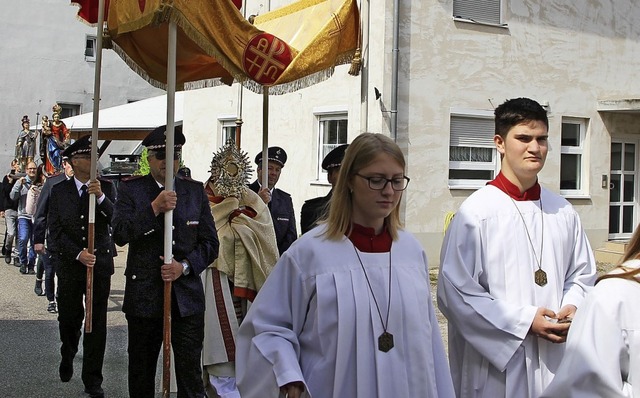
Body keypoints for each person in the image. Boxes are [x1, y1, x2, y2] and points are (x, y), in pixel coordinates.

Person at [237, 133, 455, 398]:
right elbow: (267, 329)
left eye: (397, 181)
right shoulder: (310, 253)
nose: (389, 191)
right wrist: (287, 374)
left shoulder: (411, 251)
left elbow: (429, 342)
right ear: (350, 180)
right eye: (376, 180)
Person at [437, 97, 597, 398]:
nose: (534, 148)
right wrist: (524, 323)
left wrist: (572, 307)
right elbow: (455, 292)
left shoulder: (562, 210)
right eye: (523, 138)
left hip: (555, 357)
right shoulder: (476, 213)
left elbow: (583, 274)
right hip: (497, 367)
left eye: (542, 139)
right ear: (499, 143)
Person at [112, 125, 218, 398]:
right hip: (145, 297)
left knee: (189, 375)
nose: (166, 162)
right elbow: (120, 235)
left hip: (186, 300)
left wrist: (183, 266)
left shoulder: (194, 192)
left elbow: (210, 244)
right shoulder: (132, 190)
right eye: (160, 156)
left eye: (173, 155)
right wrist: (154, 208)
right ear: (148, 158)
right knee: (141, 372)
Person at [202, 141, 279, 398]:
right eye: (225, 170)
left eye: (236, 171)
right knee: (220, 343)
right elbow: (205, 234)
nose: (230, 176)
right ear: (214, 171)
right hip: (215, 279)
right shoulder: (200, 200)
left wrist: (244, 221)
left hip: (247, 283)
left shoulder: (250, 199)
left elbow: (265, 231)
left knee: (248, 342)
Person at [46, 135, 116, 398]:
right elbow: (56, 231)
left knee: (96, 323)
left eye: (95, 157)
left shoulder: (107, 187)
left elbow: (116, 220)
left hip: (100, 265)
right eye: (88, 157)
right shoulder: (60, 191)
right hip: (71, 265)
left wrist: (99, 198)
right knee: (69, 317)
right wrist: (77, 254)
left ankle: (92, 380)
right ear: (74, 162)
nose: (93, 161)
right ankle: (68, 350)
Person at [540, 226, 640, 398]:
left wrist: (574, 300)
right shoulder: (615, 295)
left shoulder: (566, 214)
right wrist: (523, 320)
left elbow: (582, 274)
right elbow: (587, 389)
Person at [34, 156, 74, 312]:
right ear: (64, 164)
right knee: (50, 271)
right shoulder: (52, 183)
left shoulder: (82, 184)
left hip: (73, 238)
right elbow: (41, 213)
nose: (73, 167)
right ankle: (51, 299)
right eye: (70, 164)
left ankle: (63, 299)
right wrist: (38, 239)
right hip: (54, 237)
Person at [248, 146, 296, 254]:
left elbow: (291, 236)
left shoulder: (285, 200)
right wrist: (257, 202)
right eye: (269, 168)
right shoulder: (245, 193)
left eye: (277, 170)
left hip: (278, 262)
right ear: (259, 170)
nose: (274, 173)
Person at [300, 144, 349, 234]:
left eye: (350, 171)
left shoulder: (366, 210)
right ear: (329, 177)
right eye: (340, 170)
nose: (345, 176)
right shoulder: (312, 210)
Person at [10, 160, 38, 274]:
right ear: (26, 170)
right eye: (30, 169)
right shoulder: (22, 181)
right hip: (23, 216)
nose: (32, 171)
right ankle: (23, 261)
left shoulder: (40, 181)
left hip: (36, 217)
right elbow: (12, 196)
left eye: (34, 169)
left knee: (34, 242)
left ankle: (31, 265)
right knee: (23, 238)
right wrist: (19, 186)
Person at [2, 160, 20, 265]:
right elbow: (6, 193)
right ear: (13, 166)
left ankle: (17, 256)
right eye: (16, 164)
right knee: (11, 233)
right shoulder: (8, 177)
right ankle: (7, 249)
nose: (18, 166)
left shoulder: (23, 178)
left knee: (19, 235)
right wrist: (10, 181)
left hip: (20, 209)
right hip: (10, 208)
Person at [44, 104, 71, 176]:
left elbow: (65, 131)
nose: (57, 118)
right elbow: (46, 130)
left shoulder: (61, 124)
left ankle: (58, 167)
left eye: (58, 117)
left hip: (58, 140)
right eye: (55, 117)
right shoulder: (50, 123)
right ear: (53, 117)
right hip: (52, 141)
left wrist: (67, 136)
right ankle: (51, 169)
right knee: (52, 154)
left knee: (58, 153)